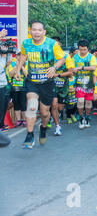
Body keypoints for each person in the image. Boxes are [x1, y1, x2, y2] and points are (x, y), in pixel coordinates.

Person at [15, 21, 66, 149]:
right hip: (32, 81)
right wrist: (18, 70)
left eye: (39, 30)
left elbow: (62, 59)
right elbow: (23, 56)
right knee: (32, 106)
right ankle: (30, 135)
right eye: (34, 30)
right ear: (30, 31)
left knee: (44, 113)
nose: (36, 32)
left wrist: (54, 67)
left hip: (47, 83)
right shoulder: (26, 43)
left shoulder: (52, 44)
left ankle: (43, 128)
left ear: (44, 32)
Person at [51, 38, 75, 136]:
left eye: (57, 44)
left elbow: (71, 72)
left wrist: (58, 75)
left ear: (60, 45)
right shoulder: (48, 56)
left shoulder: (66, 56)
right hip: (51, 85)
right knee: (54, 105)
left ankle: (58, 115)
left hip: (63, 86)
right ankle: (57, 126)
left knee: (60, 107)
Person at [72, 39, 97, 129]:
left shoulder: (91, 57)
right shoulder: (75, 57)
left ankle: (86, 117)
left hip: (89, 84)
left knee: (88, 102)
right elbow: (71, 69)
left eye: (84, 50)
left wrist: (81, 67)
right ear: (78, 49)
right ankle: (81, 117)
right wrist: (73, 71)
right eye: (80, 50)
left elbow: (94, 67)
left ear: (88, 49)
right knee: (80, 101)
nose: (82, 52)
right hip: (79, 83)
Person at [8, 48, 27, 128]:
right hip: (15, 88)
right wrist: (16, 66)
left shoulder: (26, 63)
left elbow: (27, 74)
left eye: (21, 55)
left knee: (23, 104)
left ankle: (24, 120)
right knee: (16, 104)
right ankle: (18, 120)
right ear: (15, 56)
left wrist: (21, 66)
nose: (19, 56)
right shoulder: (12, 64)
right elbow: (10, 74)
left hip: (24, 87)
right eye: (18, 55)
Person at [0, 29, 13, 133]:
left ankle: (1, 124)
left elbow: (8, 63)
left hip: (3, 82)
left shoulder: (3, 55)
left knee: (4, 104)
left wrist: (8, 51)